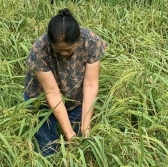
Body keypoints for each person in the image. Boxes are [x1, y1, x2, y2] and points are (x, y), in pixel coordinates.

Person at [24, 8, 106, 156]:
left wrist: (85, 127)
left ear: (78, 39)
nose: (63, 54)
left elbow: (90, 85)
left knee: (79, 143)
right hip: (42, 99)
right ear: (50, 42)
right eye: (58, 50)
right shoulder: (39, 50)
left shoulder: (91, 42)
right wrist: (68, 133)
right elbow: (52, 93)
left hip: (76, 97)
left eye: (68, 50)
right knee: (48, 147)